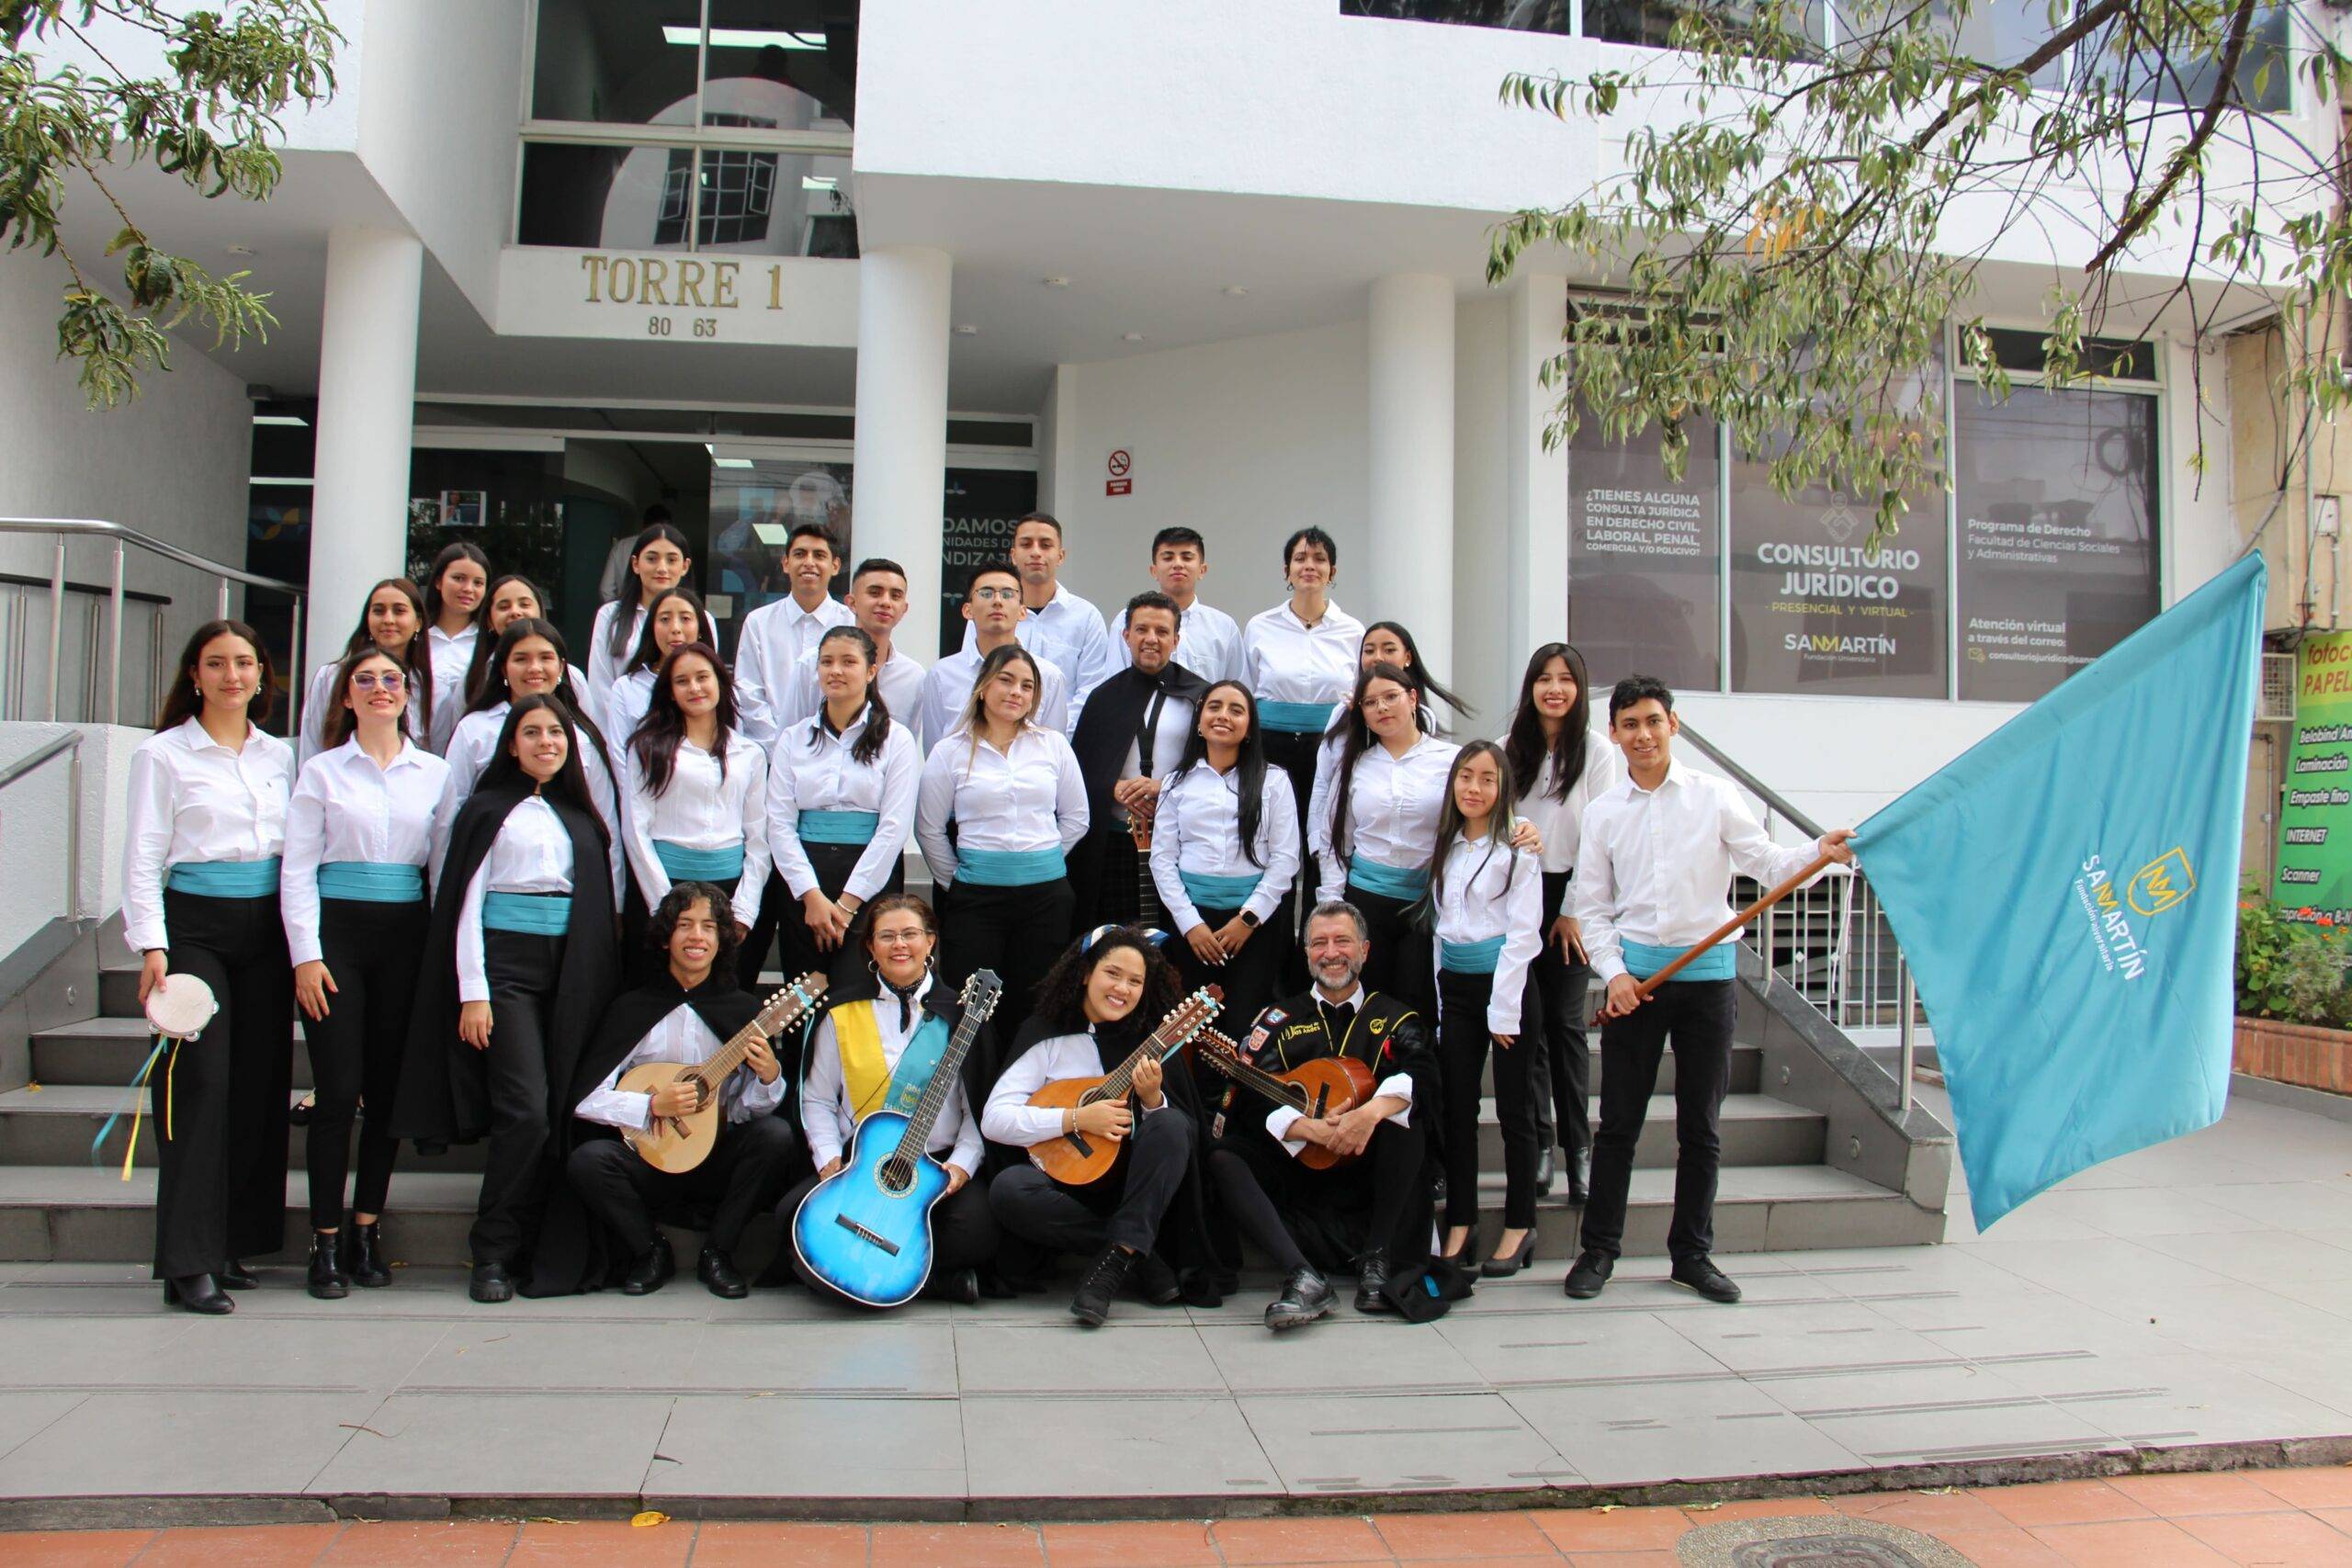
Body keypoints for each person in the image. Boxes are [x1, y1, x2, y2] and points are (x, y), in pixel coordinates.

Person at [1565, 676, 1855, 1306]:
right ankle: (1599, 1250)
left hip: (1708, 983)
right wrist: (1613, 973)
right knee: (1618, 1124)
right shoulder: (1604, 812)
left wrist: (1817, 853)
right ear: (1613, 734)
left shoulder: (1714, 796)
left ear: (1675, 723)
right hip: (1636, 984)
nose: (1642, 734)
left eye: (1652, 721)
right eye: (1629, 724)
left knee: (1702, 1126)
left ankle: (1691, 1254)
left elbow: (1769, 864)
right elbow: (1593, 909)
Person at [391, 695, 621, 1304]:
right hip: (505, 971)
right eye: (532, 732)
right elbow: (464, 906)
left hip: (571, 970)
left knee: (567, 1111)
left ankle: (544, 1247)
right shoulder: (486, 810)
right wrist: (474, 991)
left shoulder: (582, 816)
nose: (547, 741)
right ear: (511, 743)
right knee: (526, 1111)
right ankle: (491, 1249)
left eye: (556, 732)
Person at [123, 621, 297, 1315]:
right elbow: (141, 856)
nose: (233, 675)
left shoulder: (279, 755)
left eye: (245, 663)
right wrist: (151, 944)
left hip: (268, 928)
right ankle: (187, 1262)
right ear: (194, 674)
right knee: (199, 1087)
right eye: (217, 663)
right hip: (195, 928)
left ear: (261, 675)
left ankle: (233, 1240)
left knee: (258, 1085)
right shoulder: (162, 755)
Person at [281, 648, 449, 1299]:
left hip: (404, 937)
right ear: (346, 696)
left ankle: (366, 1229)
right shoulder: (322, 772)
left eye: (392, 679)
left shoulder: (434, 773)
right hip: (337, 939)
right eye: (366, 680)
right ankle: (323, 1241)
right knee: (337, 1090)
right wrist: (306, 953)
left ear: (408, 695)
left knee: (385, 1095)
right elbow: (297, 868)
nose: (381, 688)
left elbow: (439, 869)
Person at [554, 885, 797, 1299]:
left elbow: (744, 1112)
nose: (696, 937)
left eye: (708, 927)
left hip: (715, 1158)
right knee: (587, 1161)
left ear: (721, 941)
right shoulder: (631, 1008)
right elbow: (584, 1099)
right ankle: (650, 1251)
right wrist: (650, 1105)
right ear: (666, 937)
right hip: (647, 1158)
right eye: (684, 925)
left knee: (775, 1137)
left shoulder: (742, 1013)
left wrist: (770, 1077)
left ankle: (718, 1253)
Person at [1204, 901, 1437, 1328]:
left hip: (1370, 1180)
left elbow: (1422, 1071)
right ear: (1307, 954)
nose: (1332, 952)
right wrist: (1305, 1127)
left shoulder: (1394, 1016)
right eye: (1319, 943)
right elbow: (1250, 1099)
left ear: (1365, 950)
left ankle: (1377, 1258)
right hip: (1300, 1179)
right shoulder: (1277, 1020)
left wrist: (1368, 1115)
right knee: (1224, 1157)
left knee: (1406, 1120)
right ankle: (1303, 1275)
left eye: (1342, 941)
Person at [981, 928, 1216, 1326]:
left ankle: (1112, 1264)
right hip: (1063, 1187)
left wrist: (1152, 1100)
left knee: (1173, 1124)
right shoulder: (1045, 1034)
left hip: (1132, 1189)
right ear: (1086, 972)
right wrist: (1076, 1118)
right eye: (1113, 973)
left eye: (1135, 981)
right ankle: (1135, 1253)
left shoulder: (1151, 1040)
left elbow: (1172, 1146)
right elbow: (994, 1119)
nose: (1122, 988)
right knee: (1009, 1190)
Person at [782, 894, 998, 1305]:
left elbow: (978, 1110)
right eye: (887, 936)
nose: (900, 945)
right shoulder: (842, 1011)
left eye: (910, 934)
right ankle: (928, 1284)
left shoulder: (962, 1014)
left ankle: (872, 1278)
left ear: (931, 942)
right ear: (870, 947)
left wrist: (961, 1168)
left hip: (933, 1167)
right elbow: (818, 1100)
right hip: (860, 1163)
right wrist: (828, 1159)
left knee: (978, 1229)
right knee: (791, 1219)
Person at [1500, 642, 1620, 1204]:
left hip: (1573, 895)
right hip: (1519, 897)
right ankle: (1541, 1147)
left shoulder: (1595, 751)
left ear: (1579, 688)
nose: (1554, 688)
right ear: (1530, 687)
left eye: (1566, 679)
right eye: (1544, 678)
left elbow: (1598, 836)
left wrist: (1573, 909)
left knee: (1567, 1029)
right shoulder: (1507, 750)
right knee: (1529, 1027)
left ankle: (1581, 1152)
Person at [915, 643, 1088, 1024]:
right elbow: (928, 828)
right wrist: (958, 880)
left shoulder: (1053, 745)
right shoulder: (950, 751)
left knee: (1035, 1002)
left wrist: (1040, 861)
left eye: (1027, 686)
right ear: (982, 687)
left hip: (1046, 900)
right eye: (1006, 680)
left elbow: (1077, 818)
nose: (1016, 692)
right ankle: (972, 1083)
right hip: (976, 899)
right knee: (970, 1006)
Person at [1426, 741, 1544, 1274]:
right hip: (1456, 988)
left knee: (1515, 1111)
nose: (1474, 788)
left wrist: (1503, 1010)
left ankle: (1520, 1225)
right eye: (1466, 777)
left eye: (1487, 779)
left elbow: (1523, 935)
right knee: (1458, 1109)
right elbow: (1438, 930)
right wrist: (1440, 997)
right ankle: (1462, 1222)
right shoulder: (1446, 845)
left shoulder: (1518, 848)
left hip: (1507, 989)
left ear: (1503, 789)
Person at [765, 626, 919, 987]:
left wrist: (849, 903)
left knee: (860, 991)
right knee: (801, 994)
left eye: (848, 662)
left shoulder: (896, 739)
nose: (835, 670)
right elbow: (780, 824)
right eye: (827, 662)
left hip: (869, 878)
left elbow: (894, 828)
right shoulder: (794, 738)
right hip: (805, 878)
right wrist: (812, 896)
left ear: (871, 670)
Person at [1307, 662, 1454, 1023]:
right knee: (1367, 1008)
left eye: (1391, 697)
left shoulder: (1450, 760)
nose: (1383, 708)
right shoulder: (1354, 765)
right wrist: (1332, 902)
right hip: (1367, 901)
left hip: (1425, 903)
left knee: (1417, 1006)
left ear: (1413, 698)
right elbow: (1334, 841)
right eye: (1371, 703)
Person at [1149, 680, 1298, 1032]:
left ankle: (1239, 1090)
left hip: (1254, 926)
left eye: (1236, 709)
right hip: (1193, 926)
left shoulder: (1273, 781)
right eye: (1214, 707)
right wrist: (1191, 925)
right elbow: (1162, 860)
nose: (1223, 716)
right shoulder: (1175, 782)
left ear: (1249, 727)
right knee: (1190, 1027)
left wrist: (1247, 920)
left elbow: (1286, 859)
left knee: (1244, 1024)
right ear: (1199, 720)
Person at [621, 642, 770, 985]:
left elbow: (759, 838)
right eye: (682, 681)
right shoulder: (647, 748)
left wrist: (744, 908)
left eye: (703, 677)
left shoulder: (748, 752)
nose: (695, 688)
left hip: (728, 891)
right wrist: (666, 908)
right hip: (663, 883)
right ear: (670, 692)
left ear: (720, 682)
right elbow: (636, 829)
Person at [1067, 591, 1206, 926]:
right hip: (1116, 840)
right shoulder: (1103, 697)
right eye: (1142, 629)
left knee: (1173, 936)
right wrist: (1112, 787)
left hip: (1179, 840)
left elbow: (1214, 767)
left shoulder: (1201, 696)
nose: (1151, 639)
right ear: (1126, 635)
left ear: (1176, 639)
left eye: (1162, 632)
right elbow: (1078, 771)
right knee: (1117, 935)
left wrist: (1163, 787)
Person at [1243, 527, 1364, 904]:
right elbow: (1248, 692)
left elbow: (1357, 697)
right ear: (1286, 570)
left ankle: (1318, 943)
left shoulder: (1353, 631)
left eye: (1319, 559)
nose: (1309, 566)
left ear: (1333, 571)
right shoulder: (1260, 626)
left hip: (1329, 747)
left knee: (1323, 843)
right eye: (1300, 558)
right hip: (1271, 749)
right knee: (1271, 842)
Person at [958, 513, 1114, 732]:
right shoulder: (987, 614)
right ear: (1013, 554)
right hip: (992, 738)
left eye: (1045, 545)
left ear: (1060, 556)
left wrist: (1054, 739)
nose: (1035, 552)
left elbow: (1092, 689)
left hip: (1065, 742)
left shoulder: (1086, 617)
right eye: (1026, 544)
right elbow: (972, 674)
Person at [750, 557, 928, 741]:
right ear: (851, 603)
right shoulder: (812, 663)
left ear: (904, 609)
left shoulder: (913, 676)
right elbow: (788, 739)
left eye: (895, 596)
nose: (885, 602)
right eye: (875, 593)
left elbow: (908, 743)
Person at [919, 562, 1070, 749]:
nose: (997, 601)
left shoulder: (1048, 675)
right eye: (986, 593)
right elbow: (934, 750)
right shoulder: (941, 674)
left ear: (1023, 611)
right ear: (968, 610)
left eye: (1008, 594)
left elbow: (1054, 750)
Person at [733, 521, 855, 739]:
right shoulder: (758, 622)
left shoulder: (851, 623)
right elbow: (748, 692)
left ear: (835, 566)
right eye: (800, 554)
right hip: (771, 752)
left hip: (837, 750)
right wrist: (781, 747)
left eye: (819, 555)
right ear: (786, 563)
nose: (809, 563)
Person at [587, 522, 718, 712]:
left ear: (685, 566)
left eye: (671, 560)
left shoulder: (701, 619)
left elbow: (708, 684)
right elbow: (600, 689)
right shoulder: (610, 616)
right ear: (635, 564)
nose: (662, 568)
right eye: (652, 559)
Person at [297, 578, 429, 764]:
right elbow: (311, 746)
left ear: (418, 623)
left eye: (399, 611)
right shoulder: (331, 677)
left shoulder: (429, 684)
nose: (388, 620)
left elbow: (433, 751)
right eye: (378, 611)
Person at [460, 576, 598, 728]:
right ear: (489, 620)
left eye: (524, 604)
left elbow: (589, 729)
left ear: (540, 611)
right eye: (504, 607)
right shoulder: (474, 676)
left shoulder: (573, 677)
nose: (515, 612)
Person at [1108, 526, 1242, 684]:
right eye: (1168, 558)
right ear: (1154, 571)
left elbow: (1237, 688)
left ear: (1202, 570)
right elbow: (1115, 683)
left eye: (1187, 557)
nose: (1178, 564)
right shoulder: (1126, 620)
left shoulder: (1224, 627)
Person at [605, 585, 709, 750]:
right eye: (665, 619)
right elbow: (619, 756)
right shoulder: (626, 688)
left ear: (700, 628)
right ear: (651, 628)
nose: (675, 628)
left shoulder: (717, 687)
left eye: (686, 618)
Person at [421, 543, 490, 754]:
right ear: (439, 582)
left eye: (478, 582)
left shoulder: (489, 644)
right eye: (459, 578)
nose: (468, 589)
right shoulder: (417, 639)